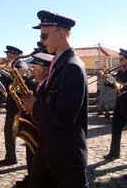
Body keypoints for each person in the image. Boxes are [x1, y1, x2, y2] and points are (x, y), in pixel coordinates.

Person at [28, 10, 89, 188]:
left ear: (61, 34)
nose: (41, 41)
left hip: (65, 157)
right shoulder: (60, 63)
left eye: (44, 35)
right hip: (50, 150)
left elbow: (65, 118)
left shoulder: (72, 67)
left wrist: (35, 105)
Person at [18, 51, 54, 188]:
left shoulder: (48, 87)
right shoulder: (40, 84)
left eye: (35, 68)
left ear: (45, 70)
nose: (32, 70)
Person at [103, 49, 127, 160]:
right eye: (120, 59)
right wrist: (106, 80)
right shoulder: (120, 71)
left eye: (122, 59)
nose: (120, 61)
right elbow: (116, 85)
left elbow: (125, 85)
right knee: (115, 128)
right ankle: (114, 153)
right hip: (119, 102)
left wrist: (117, 78)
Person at [0, 45, 23, 166]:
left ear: (16, 55)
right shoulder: (12, 66)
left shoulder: (20, 66)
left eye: (10, 55)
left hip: (17, 104)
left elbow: (18, 83)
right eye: (7, 54)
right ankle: (10, 156)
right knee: (8, 131)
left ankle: (11, 157)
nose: (8, 57)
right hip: (12, 103)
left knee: (10, 130)